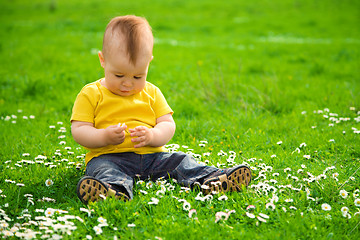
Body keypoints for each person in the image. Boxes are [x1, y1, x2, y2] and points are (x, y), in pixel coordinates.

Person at [71, 15, 251, 204]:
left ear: (149, 62)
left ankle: (215, 179)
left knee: (181, 161)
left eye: (138, 76)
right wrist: (103, 137)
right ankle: (112, 191)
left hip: (152, 157)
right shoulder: (91, 93)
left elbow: (167, 124)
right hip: (108, 157)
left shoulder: (152, 92)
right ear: (103, 60)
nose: (128, 83)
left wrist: (152, 136)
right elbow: (79, 130)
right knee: (105, 171)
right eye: (119, 75)